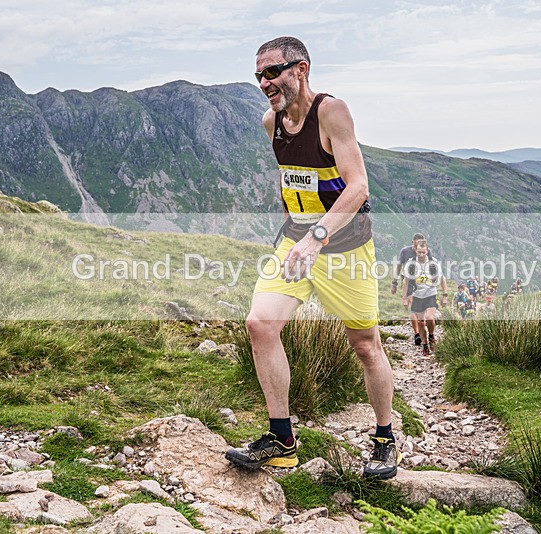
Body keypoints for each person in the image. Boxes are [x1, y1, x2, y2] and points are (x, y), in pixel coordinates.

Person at [225, 36, 400, 480]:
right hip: (296, 243)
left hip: (344, 249)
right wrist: (299, 233)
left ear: (300, 69)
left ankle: (384, 439)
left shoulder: (331, 111)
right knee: (260, 324)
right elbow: (295, 179)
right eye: (259, 75)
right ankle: (281, 440)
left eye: (273, 72)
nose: (265, 82)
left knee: (365, 345)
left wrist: (318, 236)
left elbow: (358, 186)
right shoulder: (273, 122)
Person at [401, 240, 447, 355]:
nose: (421, 255)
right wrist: (404, 298)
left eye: (423, 252)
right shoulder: (411, 264)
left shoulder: (433, 263)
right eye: (419, 252)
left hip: (430, 293)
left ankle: (431, 336)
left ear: (427, 251)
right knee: (421, 322)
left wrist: (445, 295)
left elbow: (442, 279)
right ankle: (425, 345)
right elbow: (405, 281)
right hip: (417, 296)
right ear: (415, 250)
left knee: (430, 318)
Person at [391, 233, 437, 346]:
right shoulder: (405, 251)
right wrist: (394, 282)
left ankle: (424, 330)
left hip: (422, 282)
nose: (418, 248)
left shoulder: (427, 251)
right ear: (413, 242)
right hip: (408, 280)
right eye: (416, 244)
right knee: (413, 303)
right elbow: (398, 266)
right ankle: (417, 334)